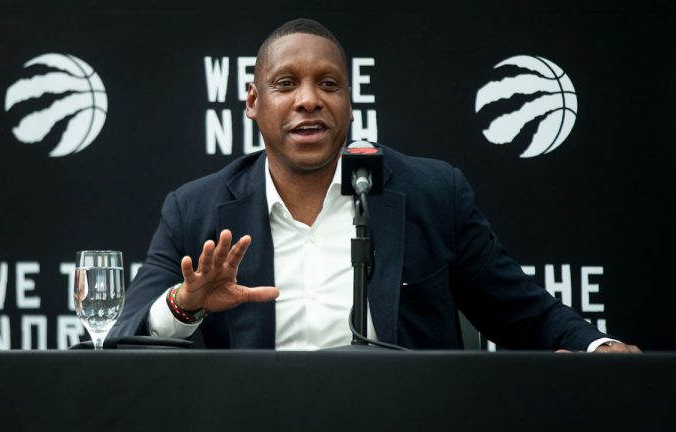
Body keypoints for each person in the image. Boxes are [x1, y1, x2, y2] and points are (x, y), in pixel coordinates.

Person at [110, 18, 639, 353]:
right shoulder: (195, 209)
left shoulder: (433, 193)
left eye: (329, 84)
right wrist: (186, 304)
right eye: (286, 84)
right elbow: (123, 340)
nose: (309, 100)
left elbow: (522, 310)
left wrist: (598, 347)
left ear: (350, 102)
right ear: (253, 103)